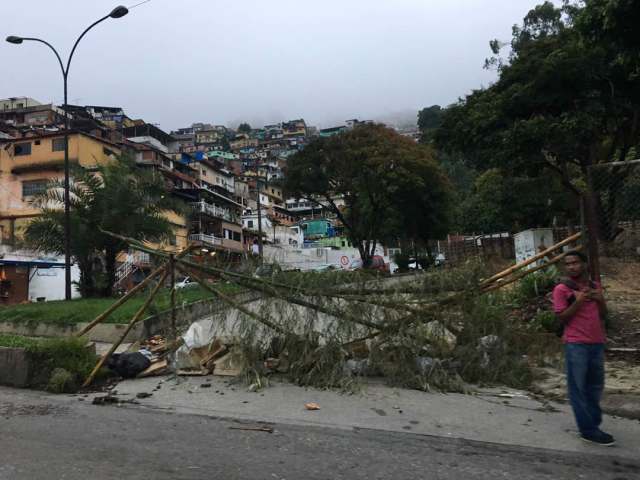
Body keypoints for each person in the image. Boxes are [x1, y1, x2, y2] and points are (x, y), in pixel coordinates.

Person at [552, 250, 614, 446]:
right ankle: (588, 430)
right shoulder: (562, 289)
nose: (572, 267)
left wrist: (600, 299)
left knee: (595, 387)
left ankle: (593, 425)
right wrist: (578, 301)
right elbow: (562, 317)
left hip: (596, 343)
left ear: (584, 264)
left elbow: (603, 315)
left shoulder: (595, 286)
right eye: (568, 264)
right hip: (576, 344)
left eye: (575, 263)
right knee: (578, 388)